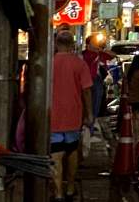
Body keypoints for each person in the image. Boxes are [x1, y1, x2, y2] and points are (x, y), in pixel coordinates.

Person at [50, 29, 93, 201]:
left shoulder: (50, 63)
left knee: (56, 155)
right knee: (72, 151)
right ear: (72, 44)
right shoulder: (79, 64)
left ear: (56, 44)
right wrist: (89, 113)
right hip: (74, 115)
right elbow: (87, 91)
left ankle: (58, 192)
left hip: (52, 116)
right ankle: (70, 187)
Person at [81, 40, 112, 119]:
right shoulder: (83, 54)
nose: (95, 44)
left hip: (95, 79)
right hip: (84, 79)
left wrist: (101, 50)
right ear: (88, 44)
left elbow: (113, 55)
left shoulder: (99, 53)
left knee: (97, 99)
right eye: (93, 43)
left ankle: (93, 117)